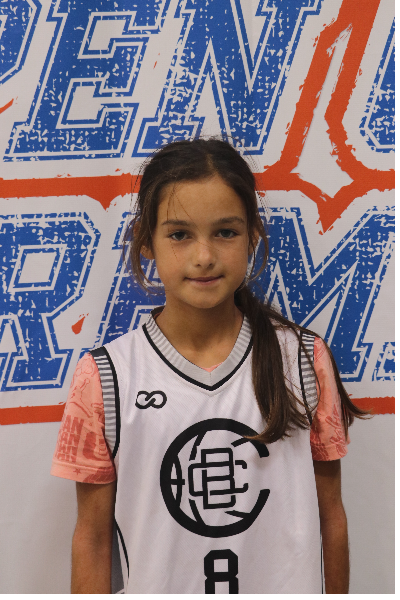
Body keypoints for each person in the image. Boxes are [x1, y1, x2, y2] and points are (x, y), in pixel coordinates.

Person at [51, 139, 367, 594]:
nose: (204, 256)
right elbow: (92, 538)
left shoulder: (302, 359)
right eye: (179, 234)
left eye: (225, 232)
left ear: (253, 234)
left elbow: (330, 516)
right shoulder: (105, 377)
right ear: (146, 240)